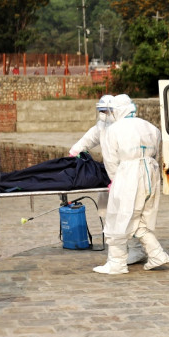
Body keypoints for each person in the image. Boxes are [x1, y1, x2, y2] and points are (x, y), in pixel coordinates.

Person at [94, 94, 169, 275]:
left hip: (128, 174)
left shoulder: (114, 130)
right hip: (150, 172)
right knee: (142, 218)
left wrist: (116, 182)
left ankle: (117, 263)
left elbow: (111, 161)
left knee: (119, 216)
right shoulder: (151, 127)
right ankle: (157, 254)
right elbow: (157, 155)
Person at [69, 95, 147, 265]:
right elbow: (88, 140)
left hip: (129, 177)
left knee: (130, 214)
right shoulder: (102, 127)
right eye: (101, 111)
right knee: (113, 214)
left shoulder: (128, 127)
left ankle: (137, 249)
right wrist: (74, 153)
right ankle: (122, 248)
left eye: (106, 111)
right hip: (113, 177)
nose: (104, 114)